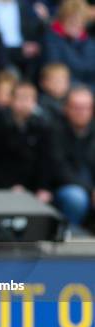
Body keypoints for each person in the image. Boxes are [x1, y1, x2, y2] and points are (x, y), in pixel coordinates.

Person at [0, 82, 55, 203]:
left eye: (29, 98)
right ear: (11, 100)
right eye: (20, 98)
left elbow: (46, 161)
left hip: (32, 188)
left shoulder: (42, 127)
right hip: (1, 187)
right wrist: (8, 186)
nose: (25, 103)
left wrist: (43, 187)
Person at [51, 86, 95, 225]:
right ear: (66, 108)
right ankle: (70, 236)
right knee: (76, 197)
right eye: (76, 107)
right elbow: (60, 171)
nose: (81, 112)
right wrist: (90, 190)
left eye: (85, 107)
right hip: (63, 188)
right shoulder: (55, 131)